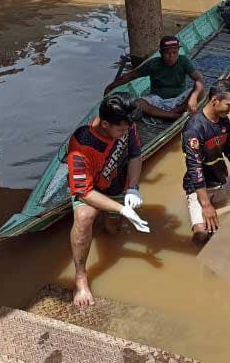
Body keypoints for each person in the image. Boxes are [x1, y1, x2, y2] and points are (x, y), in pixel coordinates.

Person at [67, 93, 150, 307]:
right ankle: (80, 277)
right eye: (121, 130)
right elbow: (84, 191)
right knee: (85, 217)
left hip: (117, 182)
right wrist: (123, 209)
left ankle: (110, 224)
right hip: (92, 187)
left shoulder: (125, 123)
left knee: (113, 230)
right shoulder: (82, 146)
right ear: (105, 124)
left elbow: (134, 153)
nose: (125, 132)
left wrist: (133, 187)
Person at [182, 79, 230, 246]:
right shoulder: (194, 129)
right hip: (198, 188)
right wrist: (206, 204)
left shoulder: (223, 121)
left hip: (219, 181)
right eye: (229, 105)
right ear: (215, 100)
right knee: (201, 234)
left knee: (219, 229)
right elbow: (195, 168)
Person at [104, 36, 205, 120]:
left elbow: (199, 80)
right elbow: (131, 75)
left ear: (178, 51)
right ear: (161, 53)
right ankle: (170, 115)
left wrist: (194, 96)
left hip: (179, 100)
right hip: (158, 100)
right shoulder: (153, 64)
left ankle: (175, 111)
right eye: (167, 53)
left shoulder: (183, 61)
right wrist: (111, 86)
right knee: (138, 103)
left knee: (201, 91)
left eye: (174, 52)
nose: (171, 56)